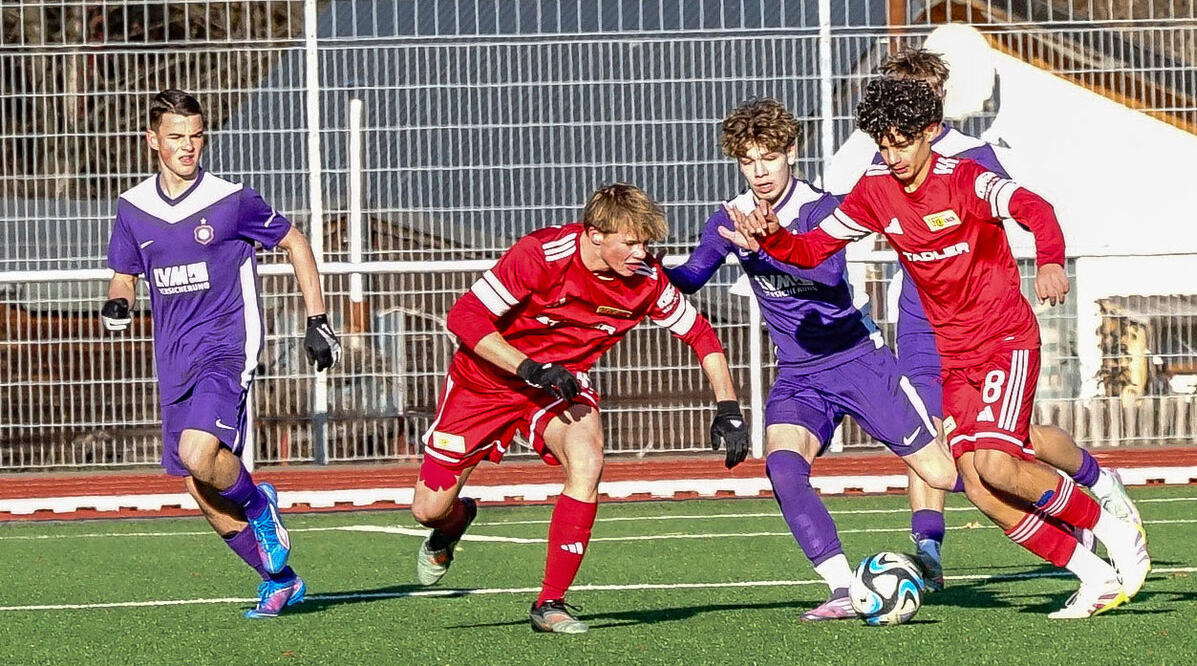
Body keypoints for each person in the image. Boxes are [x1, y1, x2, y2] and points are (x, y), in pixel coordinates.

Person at [723, 77, 1150, 618]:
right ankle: (1093, 577)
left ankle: (1114, 530)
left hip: (1003, 338)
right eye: (882, 143)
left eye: (901, 141)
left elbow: (1035, 208)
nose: (891, 154)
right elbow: (813, 247)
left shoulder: (967, 179)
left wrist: (1048, 261)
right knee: (976, 482)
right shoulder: (876, 191)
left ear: (930, 132)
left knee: (995, 463)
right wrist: (773, 239)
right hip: (953, 354)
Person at [665, 98, 960, 620]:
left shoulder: (822, 208)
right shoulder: (730, 219)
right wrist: (643, 268)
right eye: (748, 160)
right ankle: (846, 588)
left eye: (768, 157)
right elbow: (691, 278)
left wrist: (766, 249)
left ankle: (1051, 500)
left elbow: (825, 278)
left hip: (859, 362)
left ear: (792, 153)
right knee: (782, 466)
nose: (759, 172)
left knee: (943, 474)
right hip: (800, 375)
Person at [409, 183, 749, 635]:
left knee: (588, 460)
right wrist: (529, 367)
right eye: (630, 242)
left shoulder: (646, 280)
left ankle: (550, 603)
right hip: (484, 384)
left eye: (647, 242)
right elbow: (464, 319)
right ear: (593, 235)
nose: (641, 253)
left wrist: (728, 406)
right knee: (428, 510)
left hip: (558, 386)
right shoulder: (540, 254)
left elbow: (701, 336)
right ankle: (453, 524)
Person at [874, 48, 1144, 565]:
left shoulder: (972, 156)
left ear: (937, 101)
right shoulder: (884, 158)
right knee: (924, 434)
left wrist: (1047, 261)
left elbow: (1024, 209)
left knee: (1010, 447)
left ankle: (1093, 478)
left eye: (915, 98)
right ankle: (928, 548)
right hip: (918, 320)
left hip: (980, 323)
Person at [102, 89, 341, 618]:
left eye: (196, 136)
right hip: (173, 357)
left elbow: (296, 241)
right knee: (203, 487)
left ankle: (261, 506)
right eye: (176, 137)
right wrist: (118, 303)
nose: (188, 147)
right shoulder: (133, 208)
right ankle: (278, 578)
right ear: (152, 141)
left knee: (198, 453)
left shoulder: (232, 199)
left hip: (227, 345)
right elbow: (124, 275)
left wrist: (317, 320)